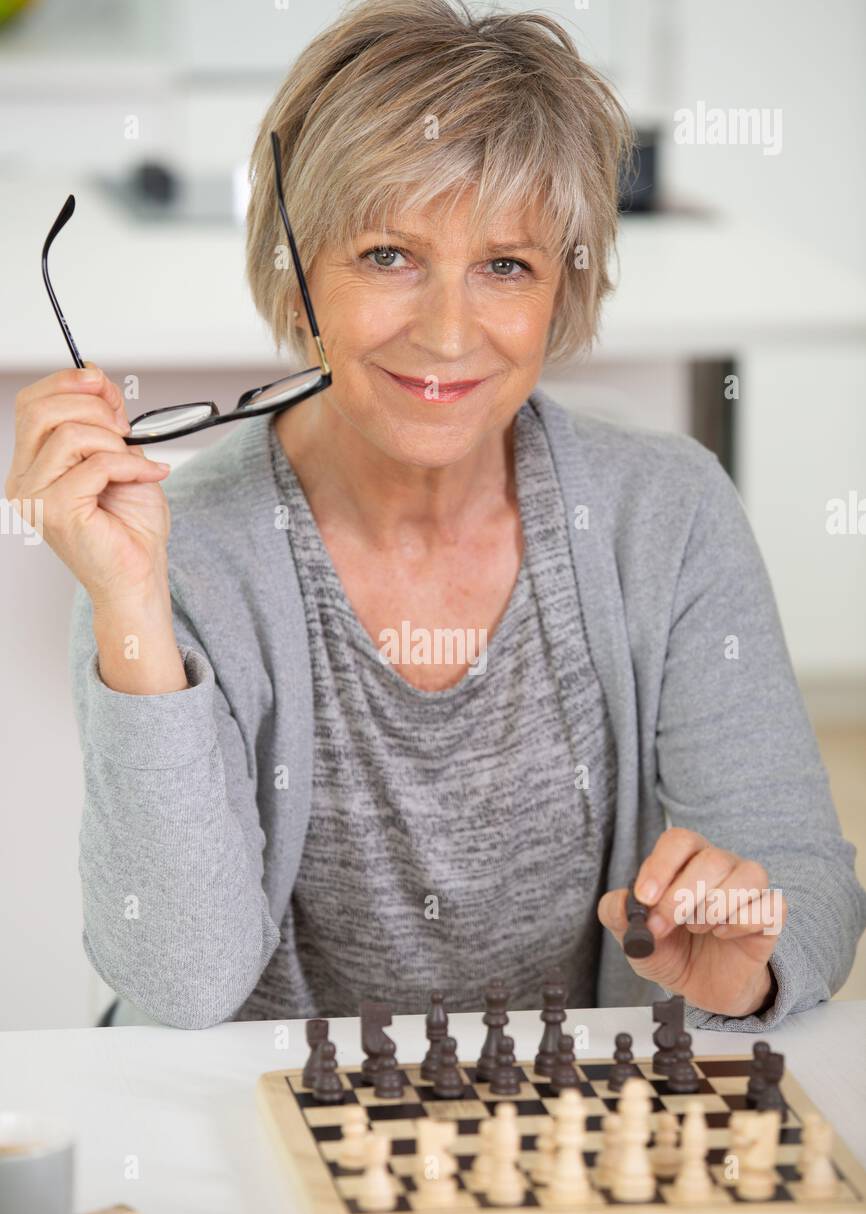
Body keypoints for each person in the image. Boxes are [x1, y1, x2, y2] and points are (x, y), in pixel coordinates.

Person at [6, 0, 864, 1029]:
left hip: (559, 1151)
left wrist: (751, 963)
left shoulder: (666, 513)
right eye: (387, 256)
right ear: (297, 267)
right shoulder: (172, 551)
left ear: (563, 290)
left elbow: (808, 890)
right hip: (248, 1142)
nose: (448, 332)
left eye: (505, 266)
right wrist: (130, 604)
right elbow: (179, 987)